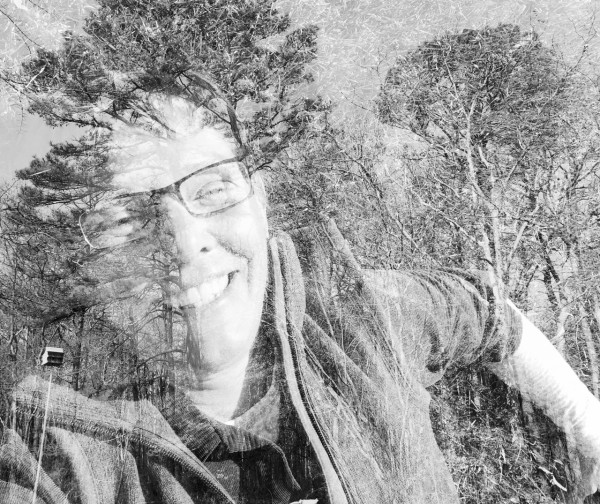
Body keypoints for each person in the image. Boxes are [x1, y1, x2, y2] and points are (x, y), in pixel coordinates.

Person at [2, 88, 600, 504]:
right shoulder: (58, 445)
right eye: (128, 218)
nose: (183, 245)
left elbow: (485, 311)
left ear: (261, 201)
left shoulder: (364, 318)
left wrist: (586, 426)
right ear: (95, 266)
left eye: (212, 189)